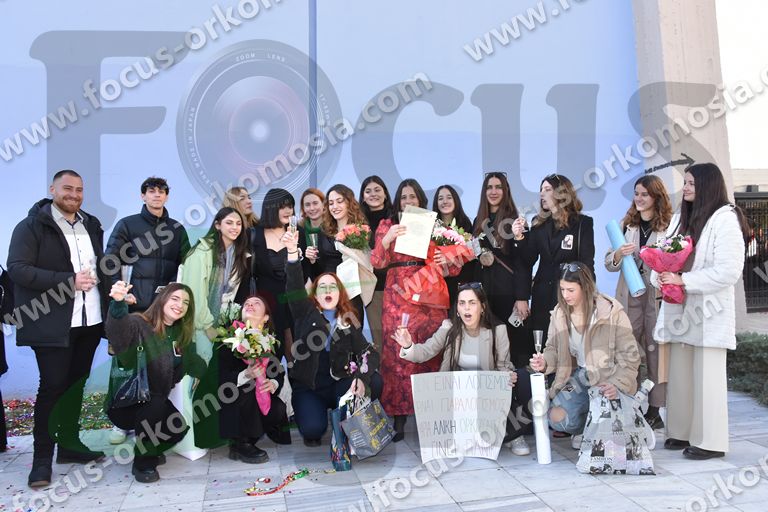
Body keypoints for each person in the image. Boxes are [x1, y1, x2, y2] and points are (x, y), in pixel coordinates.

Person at [7, 170, 109, 488]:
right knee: (52, 389)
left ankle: (69, 445)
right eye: (67, 188)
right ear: (52, 189)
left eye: (79, 189)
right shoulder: (30, 226)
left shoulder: (91, 224)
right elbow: (18, 269)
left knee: (76, 387)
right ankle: (41, 461)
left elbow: (100, 267)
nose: (74, 194)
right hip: (52, 324)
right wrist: (67, 282)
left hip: (89, 321)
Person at [652, 163, 749, 460]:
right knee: (680, 373)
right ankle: (680, 431)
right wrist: (661, 277)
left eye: (691, 183)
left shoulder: (726, 219)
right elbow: (663, 256)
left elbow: (729, 271)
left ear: (708, 185)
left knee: (707, 376)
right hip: (679, 308)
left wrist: (684, 280)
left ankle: (711, 441)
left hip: (708, 311)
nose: (686, 188)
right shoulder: (680, 219)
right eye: (686, 182)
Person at [392, 282, 533, 456]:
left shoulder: (498, 330)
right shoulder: (449, 327)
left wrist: (508, 376)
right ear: (457, 308)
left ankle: (513, 435)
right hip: (458, 396)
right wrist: (408, 345)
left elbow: (503, 366)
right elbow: (426, 351)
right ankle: (472, 435)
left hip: (487, 394)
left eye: (472, 303)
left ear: (482, 307)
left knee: (521, 379)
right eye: (462, 303)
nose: (466, 308)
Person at [371, 178, 460, 441]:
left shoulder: (435, 225)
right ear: (397, 201)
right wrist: (387, 239)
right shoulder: (387, 224)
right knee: (397, 353)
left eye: (413, 196)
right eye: (404, 197)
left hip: (428, 292)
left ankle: (431, 414)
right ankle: (398, 416)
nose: (408, 201)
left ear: (420, 199)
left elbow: (454, 267)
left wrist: (447, 257)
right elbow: (377, 262)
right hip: (397, 293)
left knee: (431, 348)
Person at [105, 176, 189, 444]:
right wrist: (119, 293)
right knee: (125, 363)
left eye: (161, 191)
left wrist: (175, 298)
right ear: (143, 196)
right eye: (151, 191)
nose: (156, 195)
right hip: (135, 308)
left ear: (167, 196)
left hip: (163, 312)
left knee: (160, 365)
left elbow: (185, 264)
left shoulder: (176, 229)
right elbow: (110, 259)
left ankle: (153, 415)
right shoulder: (127, 224)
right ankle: (121, 422)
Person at [283, 230, 382, 446]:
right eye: (322, 287)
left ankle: (348, 419)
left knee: (375, 380)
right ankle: (313, 417)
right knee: (312, 430)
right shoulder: (304, 312)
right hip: (310, 386)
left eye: (333, 287)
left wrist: (362, 379)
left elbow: (369, 353)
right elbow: (294, 286)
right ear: (315, 294)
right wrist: (292, 253)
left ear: (340, 293)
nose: (328, 291)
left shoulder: (347, 319)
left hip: (339, 383)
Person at [530, 262, 640, 448]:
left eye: (571, 290)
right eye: (562, 289)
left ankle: (608, 425)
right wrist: (544, 362)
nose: (565, 295)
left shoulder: (611, 312)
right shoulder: (559, 313)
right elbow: (553, 349)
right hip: (581, 376)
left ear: (585, 287)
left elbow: (630, 356)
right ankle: (588, 429)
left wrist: (616, 384)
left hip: (608, 377)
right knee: (556, 417)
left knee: (609, 416)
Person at [105, 281, 206, 482]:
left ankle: (148, 446)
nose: (180, 305)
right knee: (156, 403)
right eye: (175, 298)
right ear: (162, 299)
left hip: (154, 402)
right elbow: (118, 336)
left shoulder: (180, 334)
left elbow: (195, 361)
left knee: (177, 428)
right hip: (126, 402)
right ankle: (143, 464)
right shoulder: (139, 323)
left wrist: (198, 375)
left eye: (186, 302)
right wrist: (118, 304)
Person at [179, 207, 252, 453]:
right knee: (202, 377)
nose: (234, 228)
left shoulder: (238, 253)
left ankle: (218, 434)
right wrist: (207, 325)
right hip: (202, 325)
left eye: (238, 224)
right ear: (218, 224)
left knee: (220, 379)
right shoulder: (201, 253)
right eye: (229, 222)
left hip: (225, 325)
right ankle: (197, 437)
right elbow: (192, 295)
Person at [604, 175, 672, 429]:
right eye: (636, 193)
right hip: (630, 296)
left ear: (656, 196)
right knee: (628, 351)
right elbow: (608, 264)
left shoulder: (668, 226)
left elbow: (675, 258)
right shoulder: (626, 224)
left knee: (656, 352)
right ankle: (628, 402)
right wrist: (618, 254)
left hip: (655, 297)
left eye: (645, 194)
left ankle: (654, 409)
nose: (639, 199)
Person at [217, 295, 291, 463]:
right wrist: (246, 375)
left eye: (256, 303)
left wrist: (273, 383)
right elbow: (221, 376)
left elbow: (278, 372)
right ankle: (241, 442)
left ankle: (249, 439)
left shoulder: (268, 341)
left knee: (278, 407)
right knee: (247, 388)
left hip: (257, 399)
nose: (250, 305)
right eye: (247, 304)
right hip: (231, 400)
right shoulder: (229, 340)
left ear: (265, 318)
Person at [523, 174, 595, 344]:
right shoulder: (538, 223)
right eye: (541, 189)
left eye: (547, 189)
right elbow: (528, 260)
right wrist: (520, 238)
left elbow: (587, 262)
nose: (542, 193)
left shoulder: (582, 223)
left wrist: (590, 294)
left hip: (569, 294)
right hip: (542, 294)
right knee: (541, 343)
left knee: (568, 343)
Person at [471, 173, 531, 367]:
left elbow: (523, 262)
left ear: (506, 191)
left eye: (498, 187)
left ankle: (515, 384)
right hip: (484, 293)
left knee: (513, 346)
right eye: (489, 187)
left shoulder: (516, 221)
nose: (494, 191)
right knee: (487, 345)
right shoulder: (478, 221)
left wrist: (522, 297)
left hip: (508, 293)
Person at [251, 189, 308, 361]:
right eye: (282, 207)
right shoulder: (254, 234)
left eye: (290, 206)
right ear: (270, 208)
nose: (288, 211)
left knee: (296, 353)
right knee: (268, 354)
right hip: (267, 302)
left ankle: (296, 377)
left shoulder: (299, 232)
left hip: (293, 300)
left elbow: (305, 270)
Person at [317, 184, 368, 322]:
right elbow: (320, 263)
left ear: (349, 203)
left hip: (351, 290)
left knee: (353, 328)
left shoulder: (360, 229)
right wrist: (312, 258)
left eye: (339, 201)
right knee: (329, 329)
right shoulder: (324, 229)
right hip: (329, 289)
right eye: (331, 203)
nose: (335, 206)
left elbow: (367, 261)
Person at [359, 176, 393, 353]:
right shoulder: (357, 223)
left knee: (399, 335)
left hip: (398, 286)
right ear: (363, 197)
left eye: (377, 190)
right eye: (368, 191)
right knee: (379, 339)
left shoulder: (396, 218)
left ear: (385, 194)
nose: (373, 194)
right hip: (373, 288)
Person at [433, 184, 474, 306]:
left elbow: (472, 256)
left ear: (456, 200)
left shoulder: (466, 225)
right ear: (436, 203)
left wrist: (452, 258)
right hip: (436, 285)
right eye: (440, 198)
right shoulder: (430, 227)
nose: (445, 201)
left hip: (461, 286)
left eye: (449, 197)